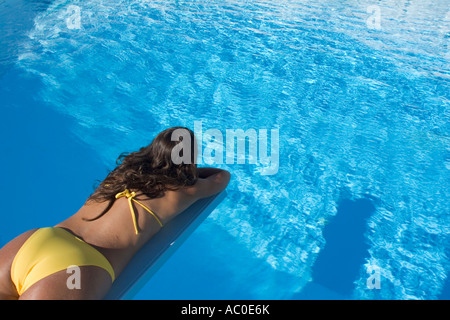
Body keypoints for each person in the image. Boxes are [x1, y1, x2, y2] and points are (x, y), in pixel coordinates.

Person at [0, 127, 230, 300]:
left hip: (39, 241)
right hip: (78, 265)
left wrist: (158, 165)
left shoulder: (123, 173)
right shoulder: (183, 189)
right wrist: (182, 172)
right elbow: (221, 177)